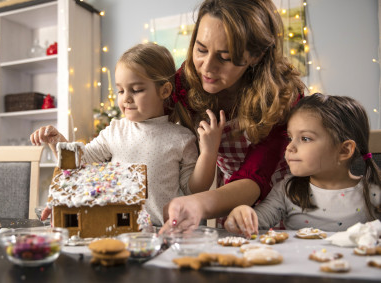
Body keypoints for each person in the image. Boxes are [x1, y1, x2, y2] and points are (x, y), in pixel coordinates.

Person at [30, 43, 225, 226]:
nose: (126, 99)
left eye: (137, 90)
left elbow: (194, 189)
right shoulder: (115, 131)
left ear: (164, 90)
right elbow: (81, 161)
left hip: (164, 231)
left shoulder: (181, 138)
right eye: (121, 91)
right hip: (120, 229)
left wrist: (209, 152)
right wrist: (57, 142)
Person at [161, 0, 306, 232]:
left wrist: (197, 204)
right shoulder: (186, 81)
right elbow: (150, 122)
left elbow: (256, 175)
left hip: (280, 202)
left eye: (225, 57)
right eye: (201, 49)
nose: (207, 67)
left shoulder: (281, 99)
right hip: (227, 200)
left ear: (256, 56)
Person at [225, 93, 381, 237]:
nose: (290, 147)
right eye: (290, 138)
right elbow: (254, 224)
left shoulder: (374, 195)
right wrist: (241, 215)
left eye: (305, 138)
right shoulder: (287, 191)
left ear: (344, 150)